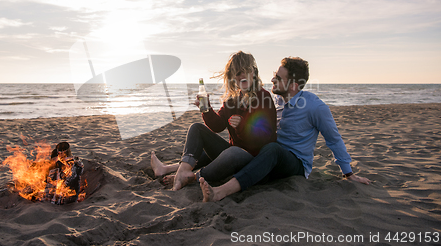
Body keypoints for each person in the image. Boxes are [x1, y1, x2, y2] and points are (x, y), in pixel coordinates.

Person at [200, 56, 371, 202]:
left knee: (272, 149)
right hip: (268, 159)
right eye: (275, 75)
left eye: (278, 78)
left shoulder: (315, 107)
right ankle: (186, 170)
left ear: (293, 85)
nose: (273, 79)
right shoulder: (275, 100)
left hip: (294, 164)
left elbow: (334, 139)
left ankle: (221, 192)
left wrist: (349, 174)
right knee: (243, 152)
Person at [151, 51, 277, 191]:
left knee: (233, 152)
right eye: (237, 73)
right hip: (231, 156)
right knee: (196, 128)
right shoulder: (232, 100)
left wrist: (242, 126)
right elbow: (218, 126)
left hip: (253, 161)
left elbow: (265, 137)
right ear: (232, 77)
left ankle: (193, 176)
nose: (242, 76)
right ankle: (184, 171)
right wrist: (207, 110)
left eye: (246, 71)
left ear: (254, 73)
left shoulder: (263, 97)